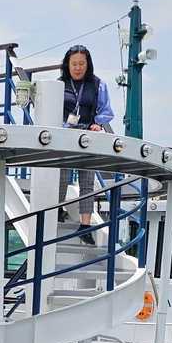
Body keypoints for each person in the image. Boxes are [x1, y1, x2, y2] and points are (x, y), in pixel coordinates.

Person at [56, 45, 115, 244]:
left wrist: (98, 123)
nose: (78, 67)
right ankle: (56, 210)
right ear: (67, 65)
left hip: (87, 137)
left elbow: (105, 110)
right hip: (65, 137)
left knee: (87, 182)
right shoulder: (59, 84)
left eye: (82, 63)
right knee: (62, 177)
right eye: (74, 64)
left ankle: (85, 226)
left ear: (88, 64)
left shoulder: (98, 84)